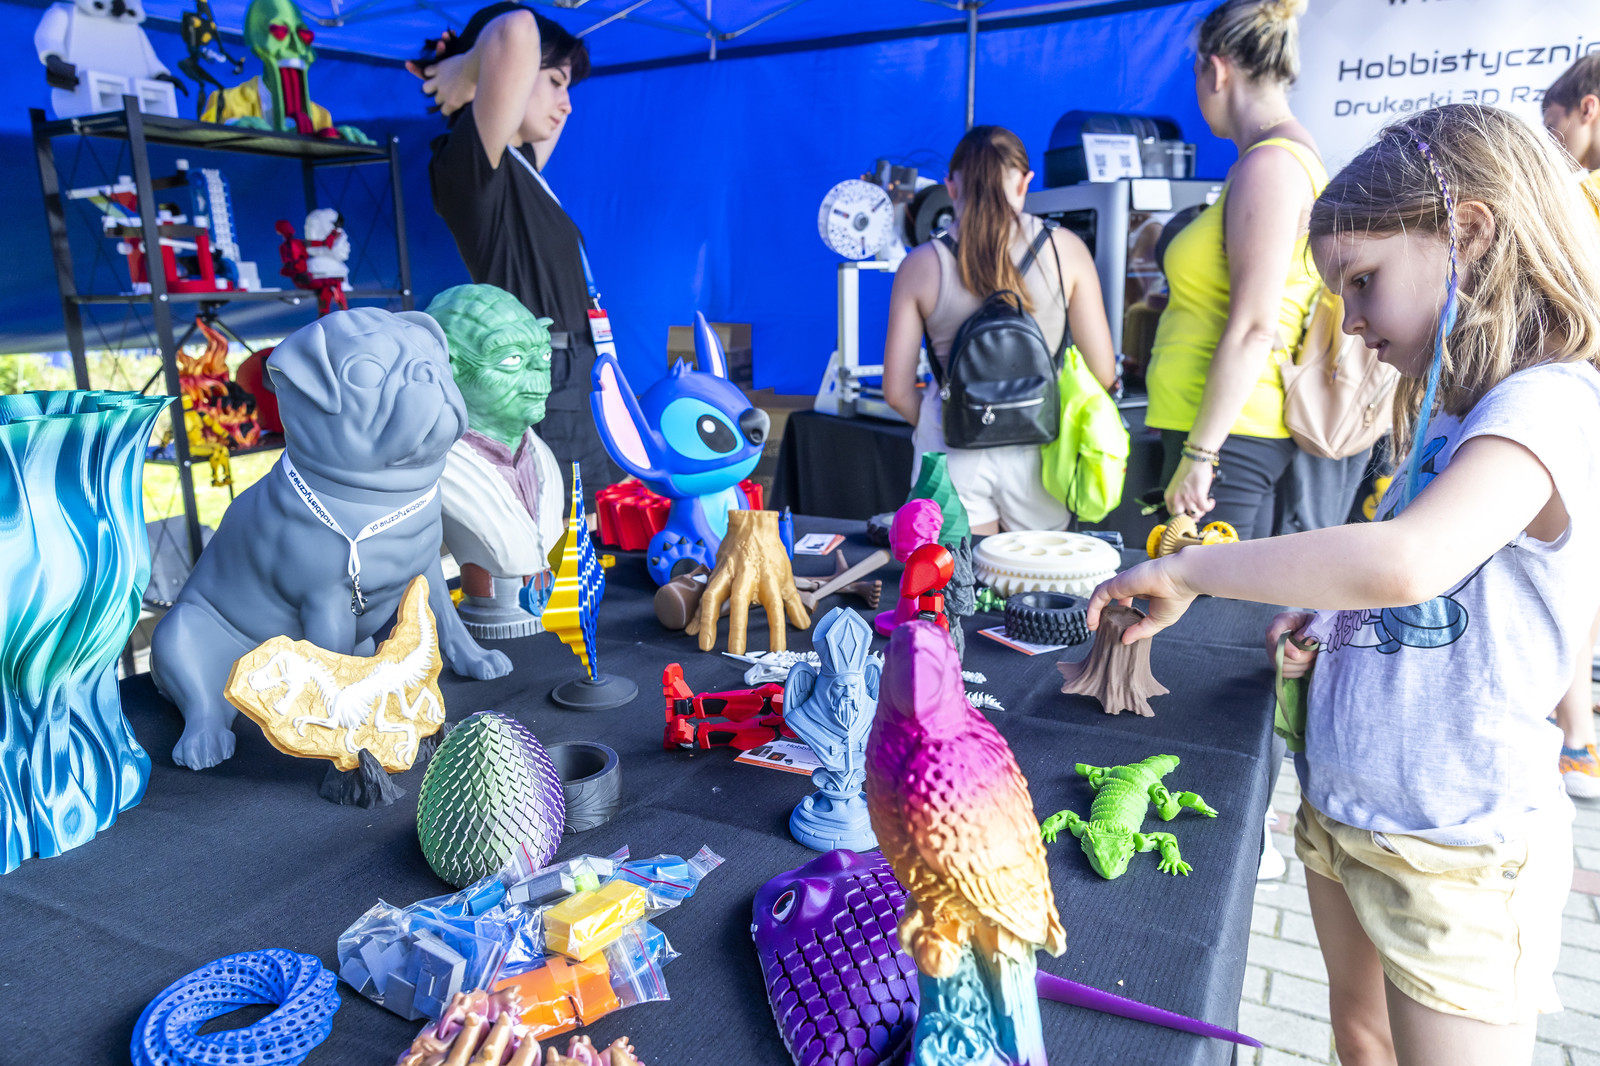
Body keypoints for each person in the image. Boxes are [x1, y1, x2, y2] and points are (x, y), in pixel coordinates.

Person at [1088, 104, 1598, 1066]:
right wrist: (1327, 617)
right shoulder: (1452, 412)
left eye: (1363, 281)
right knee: (1360, 1039)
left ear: (1470, 231)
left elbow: (1409, 559)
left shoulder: (1548, 402)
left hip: (1457, 848)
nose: (1352, 322)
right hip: (1348, 810)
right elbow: (1418, 593)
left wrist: (1191, 568)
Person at [409, 3, 620, 498]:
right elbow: (518, 29)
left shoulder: (521, 164)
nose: (566, 104)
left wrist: (474, 65)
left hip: (578, 373)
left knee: (595, 528)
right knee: (567, 532)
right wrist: (467, 68)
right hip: (543, 378)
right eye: (555, 81)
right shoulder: (470, 166)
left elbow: (513, 46)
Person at [1144, 0, 1327, 540]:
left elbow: (1254, 327)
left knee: (1197, 593)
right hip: (1223, 430)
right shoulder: (1274, 159)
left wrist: (1202, 453)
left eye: (1196, 74)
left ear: (1217, 70)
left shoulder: (1270, 165)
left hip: (1228, 437)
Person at [882, 126, 1116, 534]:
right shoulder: (1067, 250)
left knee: (956, 573)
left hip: (951, 451)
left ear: (951, 188)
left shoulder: (920, 264)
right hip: (1041, 448)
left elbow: (897, 392)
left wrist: (948, 418)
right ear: (1025, 183)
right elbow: (1104, 373)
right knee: (1033, 574)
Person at [1541, 54, 1600, 799]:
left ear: (1588, 108)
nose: (1552, 142)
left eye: (1555, 125)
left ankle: (1575, 741)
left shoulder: (1577, 196)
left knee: (1571, 572)